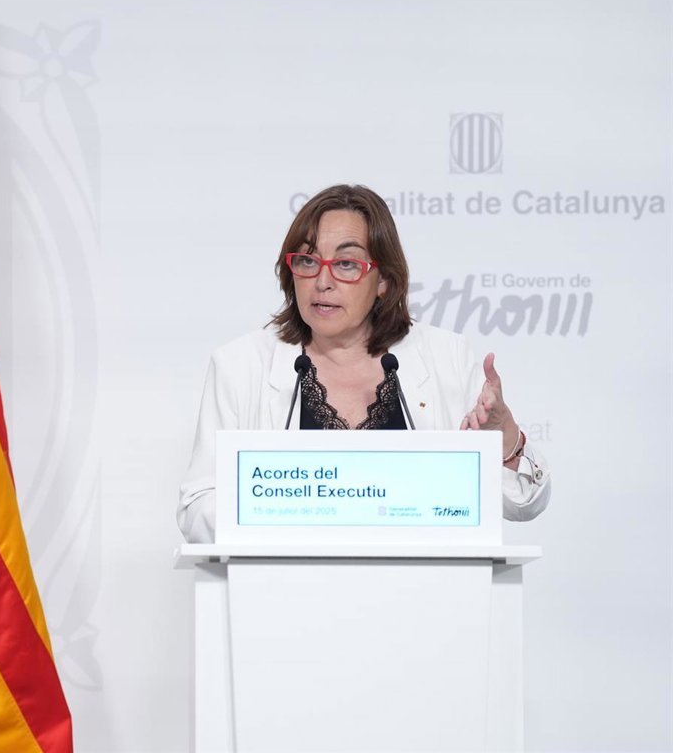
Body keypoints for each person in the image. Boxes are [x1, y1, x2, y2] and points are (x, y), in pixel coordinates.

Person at [177, 184, 551, 543]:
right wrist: (305, 519)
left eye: (346, 264)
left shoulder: (445, 358)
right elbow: (198, 508)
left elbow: (523, 503)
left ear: (383, 279)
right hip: (286, 583)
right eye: (307, 260)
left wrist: (504, 438)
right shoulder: (240, 366)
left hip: (423, 585)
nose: (322, 281)